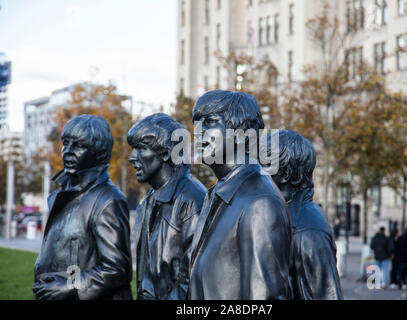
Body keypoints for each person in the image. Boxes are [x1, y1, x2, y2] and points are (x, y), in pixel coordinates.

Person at [188, 90, 292, 299]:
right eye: (197, 123)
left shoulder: (260, 204)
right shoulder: (219, 195)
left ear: (242, 132)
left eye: (209, 122)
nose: (198, 132)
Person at [33, 115, 132, 300]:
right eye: (66, 143)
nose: (68, 151)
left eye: (78, 145)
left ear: (100, 154)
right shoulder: (63, 194)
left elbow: (117, 270)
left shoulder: (108, 200)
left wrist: (70, 286)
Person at [128, 113, 206, 300]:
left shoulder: (191, 198)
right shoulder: (147, 202)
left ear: (164, 152)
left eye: (140, 149)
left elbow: (193, 281)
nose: (132, 157)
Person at [262, 130, 343, 299]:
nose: (256, 175)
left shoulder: (308, 232)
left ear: (285, 174)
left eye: (262, 166)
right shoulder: (287, 217)